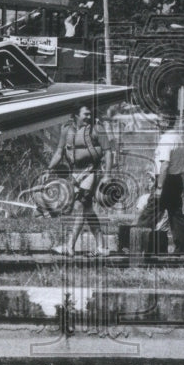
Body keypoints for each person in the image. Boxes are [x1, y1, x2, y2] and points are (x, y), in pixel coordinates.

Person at [47, 103, 111, 256]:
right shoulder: (66, 130)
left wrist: (107, 175)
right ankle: (102, 247)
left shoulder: (97, 129)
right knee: (87, 209)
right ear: (76, 115)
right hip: (75, 174)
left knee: (81, 205)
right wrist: (48, 170)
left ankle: (69, 246)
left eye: (90, 114)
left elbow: (108, 152)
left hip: (91, 171)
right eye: (85, 114)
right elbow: (59, 152)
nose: (89, 117)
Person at [154, 116, 184, 254]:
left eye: (160, 121)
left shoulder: (166, 139)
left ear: (166, 122)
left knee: (150, 213)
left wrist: (159, 188)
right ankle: (182, 250)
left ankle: (138, 245)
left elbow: (164, 165)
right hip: (176, 180)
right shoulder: (178, 138)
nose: (157, 124)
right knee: (176, 216)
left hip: (165, 181)